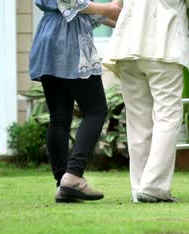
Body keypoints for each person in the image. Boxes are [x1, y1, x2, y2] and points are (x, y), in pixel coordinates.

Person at [103, 0, 189, 203]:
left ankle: (139, 188)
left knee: (138, 121)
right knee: (167, 117)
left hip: (126, 49)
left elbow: (118, 7)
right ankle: (153, 187)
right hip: (163, 48)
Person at [29, 0, 121, 203]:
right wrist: (106, 9)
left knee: (59, 118)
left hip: (48, 38)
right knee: (96, 110)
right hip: (69, 41)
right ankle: (73, 175)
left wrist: (112, 17)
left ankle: (63, 183)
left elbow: (74, 9)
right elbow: (71, 1)